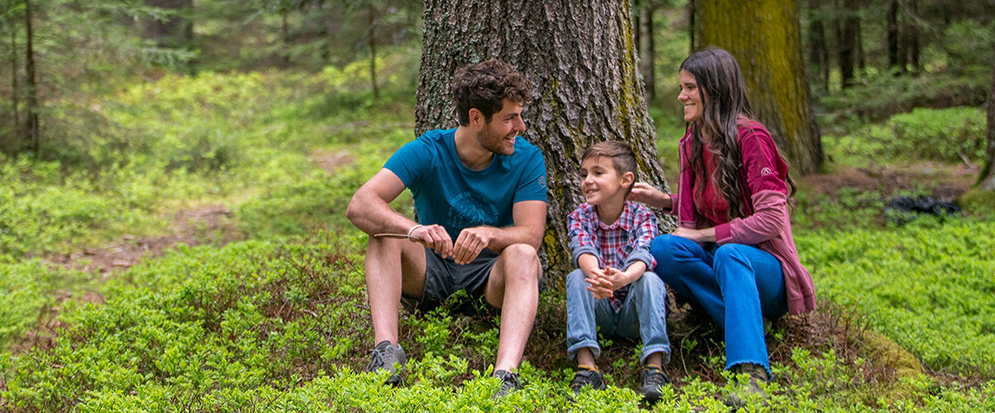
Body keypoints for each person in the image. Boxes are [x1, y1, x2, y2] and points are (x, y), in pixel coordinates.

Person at [346, 59, 546, 399]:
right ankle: (385, 351)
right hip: (430, 269)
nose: (521, 126)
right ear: (476, 117)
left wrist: (491, 234)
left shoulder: (527, 158)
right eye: (510, 118)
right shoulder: (429, 150)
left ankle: (506, 375)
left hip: (488, 279)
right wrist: (414, 231)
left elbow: (531, 233)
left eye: (520, 115)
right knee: (383, 232)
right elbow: (360, 204)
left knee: (525, 255)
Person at [631, 48, 816, 407]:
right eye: (681, 87)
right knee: (663, 248)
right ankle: (744, 326)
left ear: (714, 90)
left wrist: (703, 236)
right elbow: (701, 210)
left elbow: (772, 219)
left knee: (731, 254)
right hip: (721, 262)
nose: (681, 95)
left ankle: (751, 372)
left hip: (765, 271)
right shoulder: (692, 143)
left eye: (690, 87)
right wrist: (663, 200)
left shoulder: (752, 138)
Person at [564, 140, 670, 404]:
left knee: (649, 280)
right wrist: (597, 276)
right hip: (599, 305)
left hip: (633, 312)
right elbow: (582, 249)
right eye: (584, 174)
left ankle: (655, 367)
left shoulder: (642, 217)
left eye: (598, 173)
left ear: (626, 180)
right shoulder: (580, 216)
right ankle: (587, 366)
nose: (588, 180)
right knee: (577, 277)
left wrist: (623, 278)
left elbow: (643, 255)